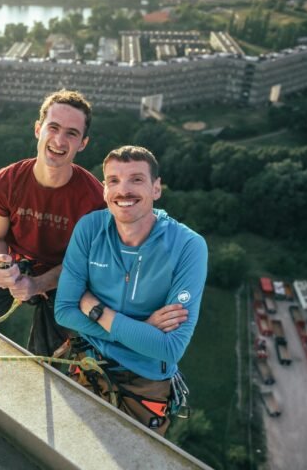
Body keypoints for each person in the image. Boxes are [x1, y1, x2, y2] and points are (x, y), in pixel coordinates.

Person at [54, 145, 208, 436]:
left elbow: (170, 347)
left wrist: (96, 310)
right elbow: (63, 311)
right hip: (89, 363)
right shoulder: (90, 229)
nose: (123, 190)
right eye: (113, 180)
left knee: (132, 455)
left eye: (136, 179)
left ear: (156, 188)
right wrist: (141, 329)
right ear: (104, 190)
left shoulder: (188, 246)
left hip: (145, 382)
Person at [0, 90, 106, 358]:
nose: (59, 140)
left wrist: (37, 285)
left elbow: (84, 265)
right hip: (17, 270)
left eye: (71, 133)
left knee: (47, 358)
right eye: (53, 128)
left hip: (66, 281)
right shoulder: (8, 180)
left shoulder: (94, 200)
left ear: (83, 143)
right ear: (38, 129)